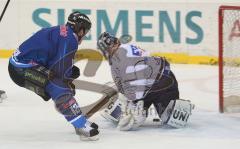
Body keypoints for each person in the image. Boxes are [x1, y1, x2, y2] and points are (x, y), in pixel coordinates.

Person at [8, 11, 99, 140]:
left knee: (63, 81)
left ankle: (78, 119)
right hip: (21, 68)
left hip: (20, 64)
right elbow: (60, 70)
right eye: (85, 31)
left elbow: (55, 63)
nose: (83, 36)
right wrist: (68, 82)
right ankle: (80, 124)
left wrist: (68, 77)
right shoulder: (70, 39)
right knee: (58, 86)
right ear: (80, 29)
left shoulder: (62, 31)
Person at [97, 32, 194, 131]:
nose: (107, 51)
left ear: (115, 44)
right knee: (166, 116)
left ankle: (179, 108)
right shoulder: (125, 49)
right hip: (159, 82)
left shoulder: (121, 57)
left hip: (160, 85)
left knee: (170, 118)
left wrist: (134, 108)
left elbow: (133, 85)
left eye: (108, 48)